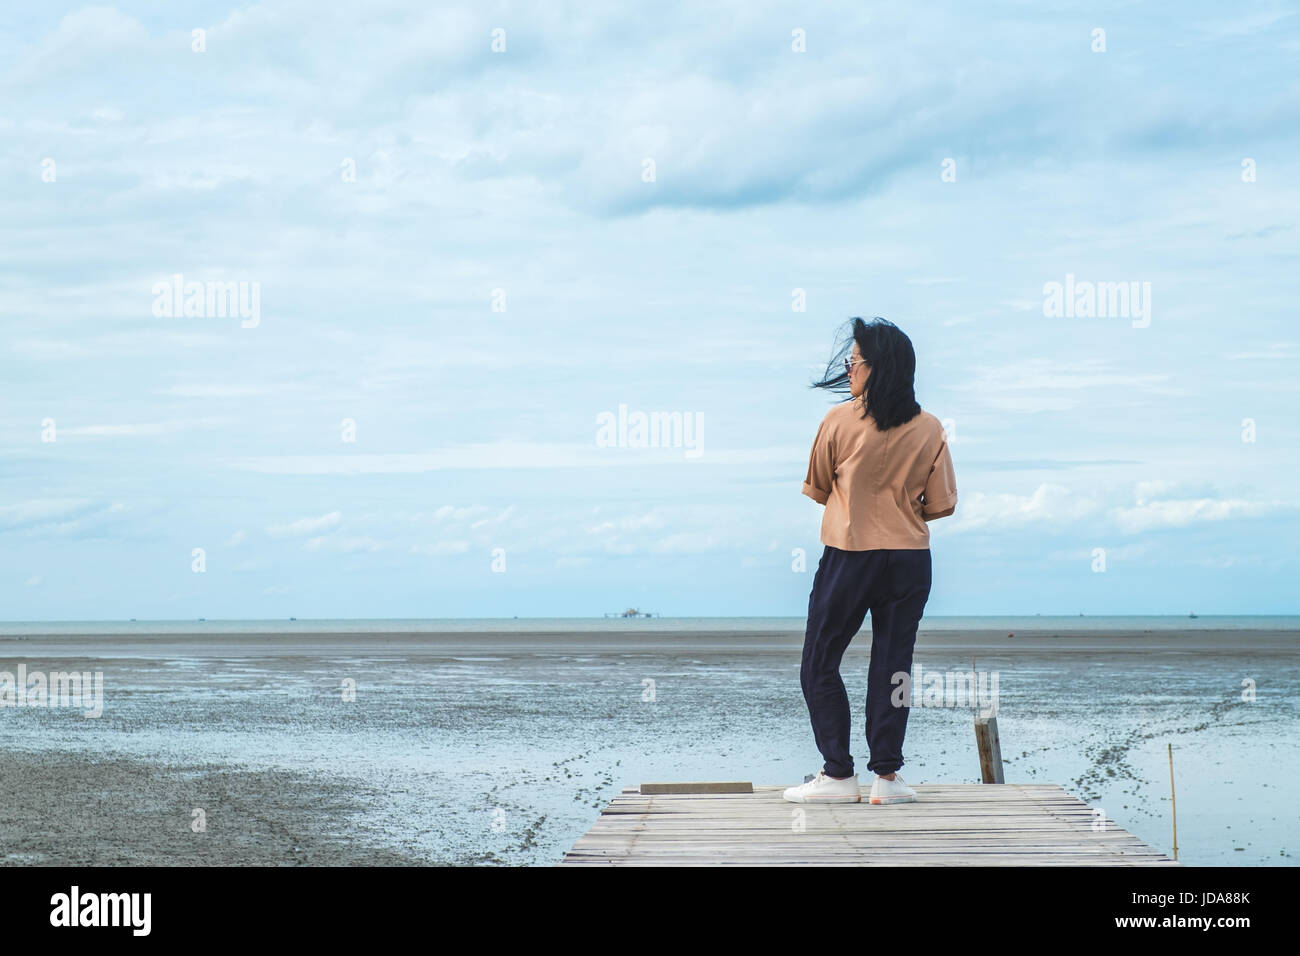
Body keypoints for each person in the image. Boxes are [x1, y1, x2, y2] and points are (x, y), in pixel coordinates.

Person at [783, 317, 957, 806]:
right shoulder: (930, 427)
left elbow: (818, 488)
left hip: (850, 553)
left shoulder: (837, 421)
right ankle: (887, 777)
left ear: (874, 368)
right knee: (893, 666)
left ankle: (838, 775)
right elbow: (941, 504)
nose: (848, 368)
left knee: (820, 661)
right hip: (908, 558)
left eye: (853, 361)